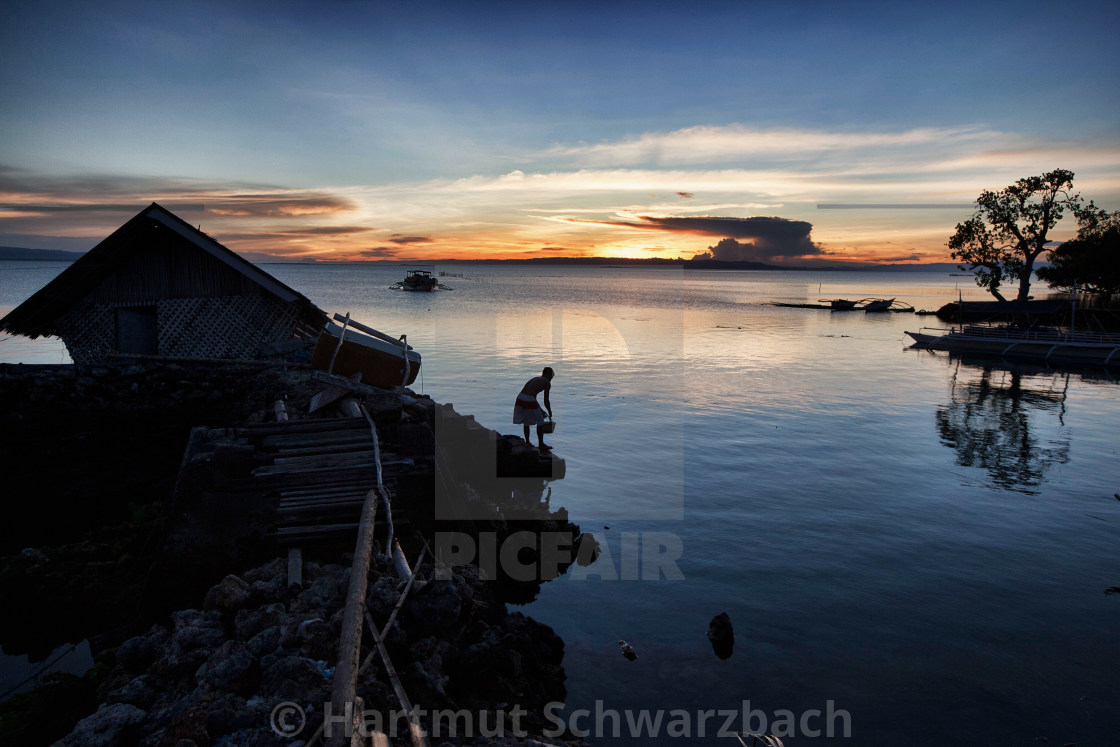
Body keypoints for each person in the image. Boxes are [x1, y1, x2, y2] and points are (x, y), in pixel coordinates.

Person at [513, 367, 554, 450]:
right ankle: (541, 444)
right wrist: (550, 411)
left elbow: (532, 397)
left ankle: (527, 442)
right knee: (540, 422)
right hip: (528, 399)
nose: (551, 378)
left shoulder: (536, 378)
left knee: (526, 421)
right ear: (548, 374)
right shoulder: (547, 383)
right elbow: (546, 400)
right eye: (551, 376)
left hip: (520, 398)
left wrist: (541, 410)